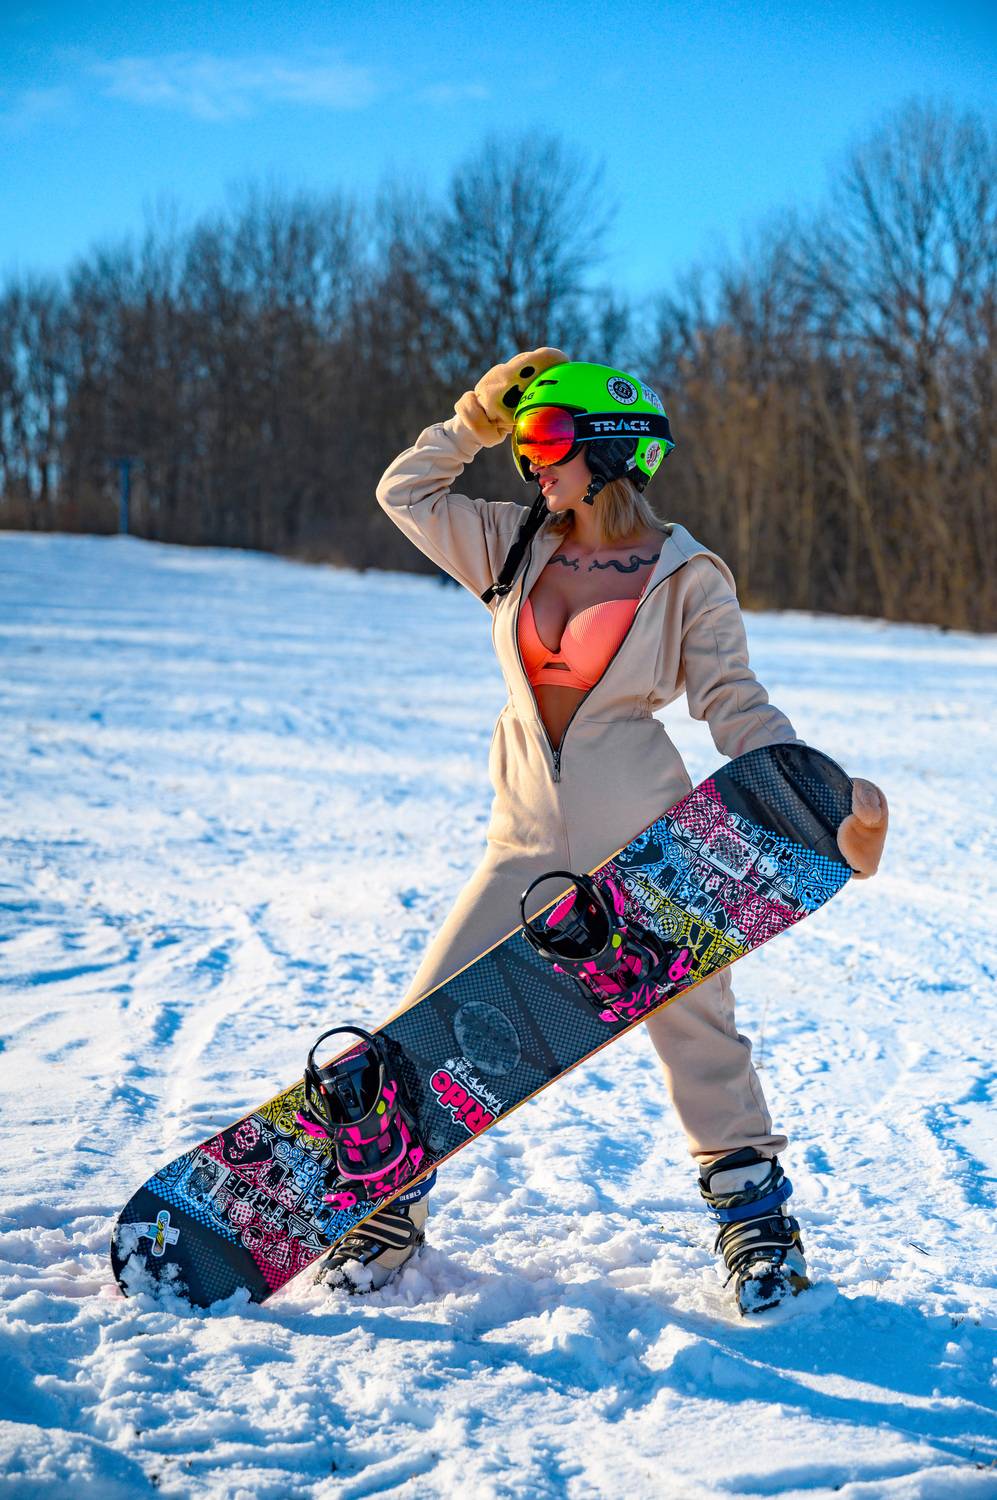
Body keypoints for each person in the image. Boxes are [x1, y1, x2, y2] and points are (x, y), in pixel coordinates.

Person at [317, 350, 888, 1313]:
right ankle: (387, 1205)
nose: (528, 461)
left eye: (546, 438)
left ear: (612, 450)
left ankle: (754, 1224)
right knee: (425, 1021)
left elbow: (734, 703)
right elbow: (405, 492)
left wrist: (815, 795)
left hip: (650, 843)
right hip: (521, 842)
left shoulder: (686, 574)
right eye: (523, 440)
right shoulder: (510, 545)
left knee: (697, 1031)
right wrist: (474, 417)